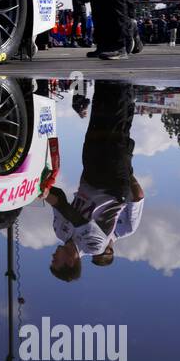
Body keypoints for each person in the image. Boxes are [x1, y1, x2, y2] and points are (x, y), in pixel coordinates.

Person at [44, 82, 137, 279]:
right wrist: (50, 198)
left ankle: (104, 83)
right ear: (70, 262)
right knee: (116, 132)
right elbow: (78, 219)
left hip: (89, 177)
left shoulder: (60, 232)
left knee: (97, 126)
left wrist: (40, 192)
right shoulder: (94, 247)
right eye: (55, 261)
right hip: (112, 185)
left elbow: (58, 197)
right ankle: (121, 85)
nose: (52, 256)